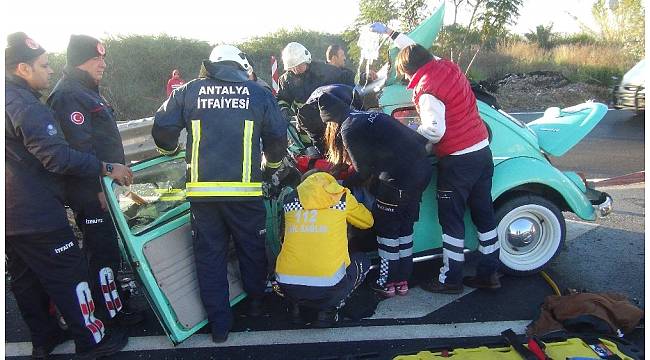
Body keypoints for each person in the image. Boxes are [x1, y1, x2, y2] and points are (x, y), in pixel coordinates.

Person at [5, 32, 132, 359]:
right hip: (37, 209)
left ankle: (44, 338)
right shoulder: (30, 102)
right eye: (44, 65)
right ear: (22, 67)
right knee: (71, 273)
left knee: (26, 278)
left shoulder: (13, 97)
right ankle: (94, 339)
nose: (50, 70)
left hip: (12, 210)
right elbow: (59, 156)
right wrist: (104, 172)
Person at [151, 44, 287, 343]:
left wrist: (169, 150)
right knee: (251, 248)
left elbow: (162, 126)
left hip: (203, 196)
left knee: (209, 257)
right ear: (241, 66)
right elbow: (278, 138)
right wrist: (271, 165)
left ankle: (219, 326)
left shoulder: (188, 91)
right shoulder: (259, 93)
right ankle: (255, 303)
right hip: (246, 193)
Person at [372, 22, 501, 293]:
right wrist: (391, 34)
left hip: (458, 162)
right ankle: (489, 273)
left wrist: (410, 138)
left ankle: (450, 279)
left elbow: (434, 129)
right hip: (481, 152)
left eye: (406, 77)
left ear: (412, 71)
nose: (407, 83)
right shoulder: (446, 66)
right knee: (484, 215)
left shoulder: (428, 89)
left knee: (451, 221)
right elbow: (414, 49)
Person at [47, 34, 144, 326]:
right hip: (89, 190)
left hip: (103, 185)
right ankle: (107, 314)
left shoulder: (86, 90)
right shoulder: (68, 96)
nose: (103, 63)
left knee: (108, 250)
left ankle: (113, 303)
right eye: (96, 58)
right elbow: (78, 150)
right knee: (100, 253)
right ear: (80, 61)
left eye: (102, 57)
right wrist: (97, 189)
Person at [312, 86, 433, 298]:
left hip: (396, 181)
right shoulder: (371, 117)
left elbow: (362, 171)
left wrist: (341, 185)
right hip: (421, 173)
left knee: (387, 232)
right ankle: (403, 280)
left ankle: (385, 282)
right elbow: (416, 140)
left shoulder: (348, 128)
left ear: (330, 119)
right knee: (404, 229)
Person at [275, 170, 373, 327]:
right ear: (331, 183)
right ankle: (328, 311)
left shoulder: (289, 200)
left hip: (287, 285)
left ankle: (295, 308)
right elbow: (368, 222)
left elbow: (283, 235)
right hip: (329, 288)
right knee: (363, 260)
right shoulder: (342, 197)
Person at [277, 42, 355, 147]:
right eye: (293, 68)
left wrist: (362, 78)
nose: (296, 70)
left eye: (299, 65)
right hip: (305, 128)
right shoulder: (285, 80)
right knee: (312, 158)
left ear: (306, 60)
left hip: (329, 125)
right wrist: (283, 110)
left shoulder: (323, 71)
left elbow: (346, 78)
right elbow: (282, 98)